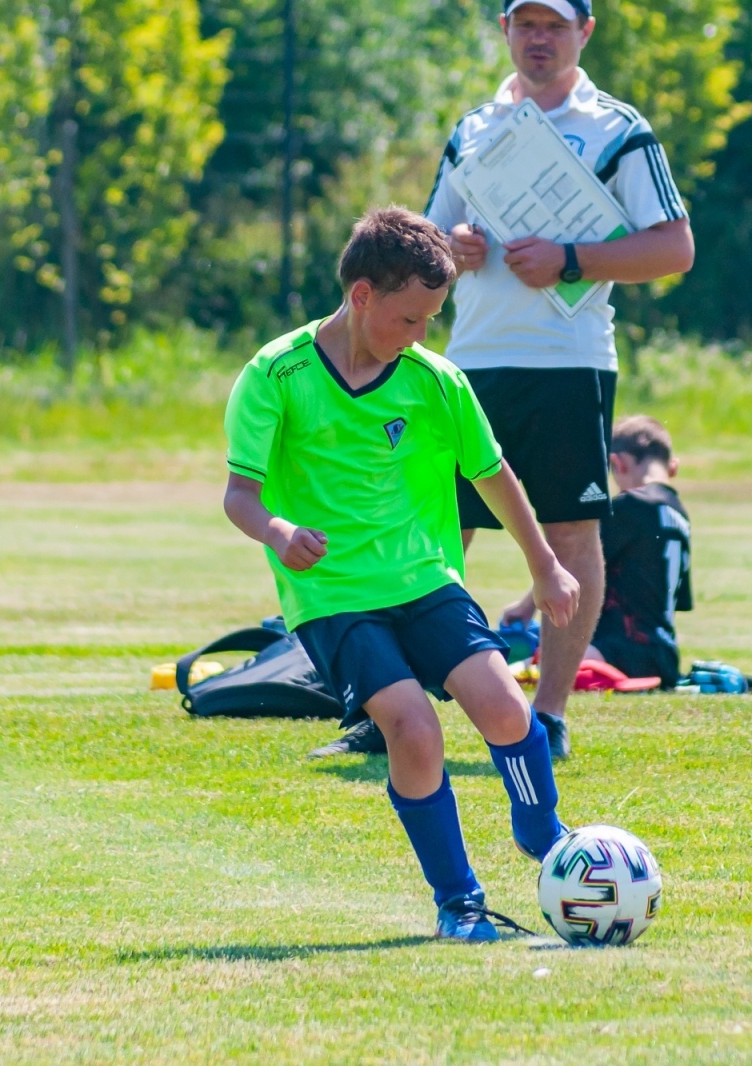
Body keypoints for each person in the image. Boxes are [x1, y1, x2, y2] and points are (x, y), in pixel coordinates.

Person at [223, 207, 580, 939]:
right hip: (334, 596)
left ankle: (546, 841)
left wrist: (544, 566)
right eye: (411, 318)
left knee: (506, 708)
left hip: (425, 579)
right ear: (361, 296)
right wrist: (277, 529)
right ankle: (460, 903)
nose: (422, 336)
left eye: (433, 320)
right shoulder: (275, 375)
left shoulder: (435, 382)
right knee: (413, 731)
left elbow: (493, 474)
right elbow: (240, 495)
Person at [422, 0, 695, 759]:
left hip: (569, 364)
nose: (539, 38)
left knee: (572, 535)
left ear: (585, 33)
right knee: (447, 535)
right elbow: (426, 240)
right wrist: (453, 247)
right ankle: (402, 703)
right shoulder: (474, 127)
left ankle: (547, 718)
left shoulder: (617, 128)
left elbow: (674, 246)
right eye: (525, 23)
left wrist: (572, 260)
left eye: (555, 24)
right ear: (504, 30)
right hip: (470, 362)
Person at [502, 415, 692, 689]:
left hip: (616, 652)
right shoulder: (680, 517)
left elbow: (574, 564)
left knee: (511, 674)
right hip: (664, 658)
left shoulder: (629, 507)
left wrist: (525, 607)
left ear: (617, 463)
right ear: (672, 468)